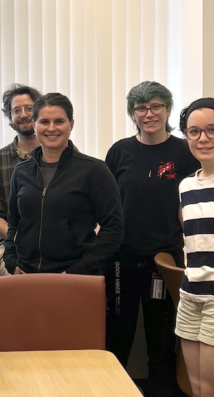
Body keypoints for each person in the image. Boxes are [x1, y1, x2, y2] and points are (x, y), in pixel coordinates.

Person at [105, 81, 200, 391]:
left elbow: (192, 202)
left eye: (156, 106)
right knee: (117, 338)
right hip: (122, 258)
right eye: (141, 108)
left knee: (161, 344)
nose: (149, 114)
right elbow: (108, 204)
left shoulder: (183, 151)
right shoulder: (119, 151)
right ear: (133, 113)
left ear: (168, 109)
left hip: (165, 259)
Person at [3, 93, 124, 275]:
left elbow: (114, 230)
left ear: (71, 124)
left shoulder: (94, 170)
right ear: (34, 125)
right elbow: (14, 225)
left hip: (76, 276)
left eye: (59, 121)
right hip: (26, 274)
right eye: (44, 122)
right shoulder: (21, 172)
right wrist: (12, 262)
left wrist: (79, 270)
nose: (51, 128)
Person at [0, 84, 41, 276]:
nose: (23, 114)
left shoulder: (63, 154)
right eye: (16, 110)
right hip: (10, 246)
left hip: (58, 246)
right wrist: (21, 239)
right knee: (19, 284)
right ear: (10, 117)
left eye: (29, 108)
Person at [177, 97, 214, 397]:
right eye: (194, 131)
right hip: (190, 294)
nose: (203, 138)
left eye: (212, 129)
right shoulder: (187, 185)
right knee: (197, 387)